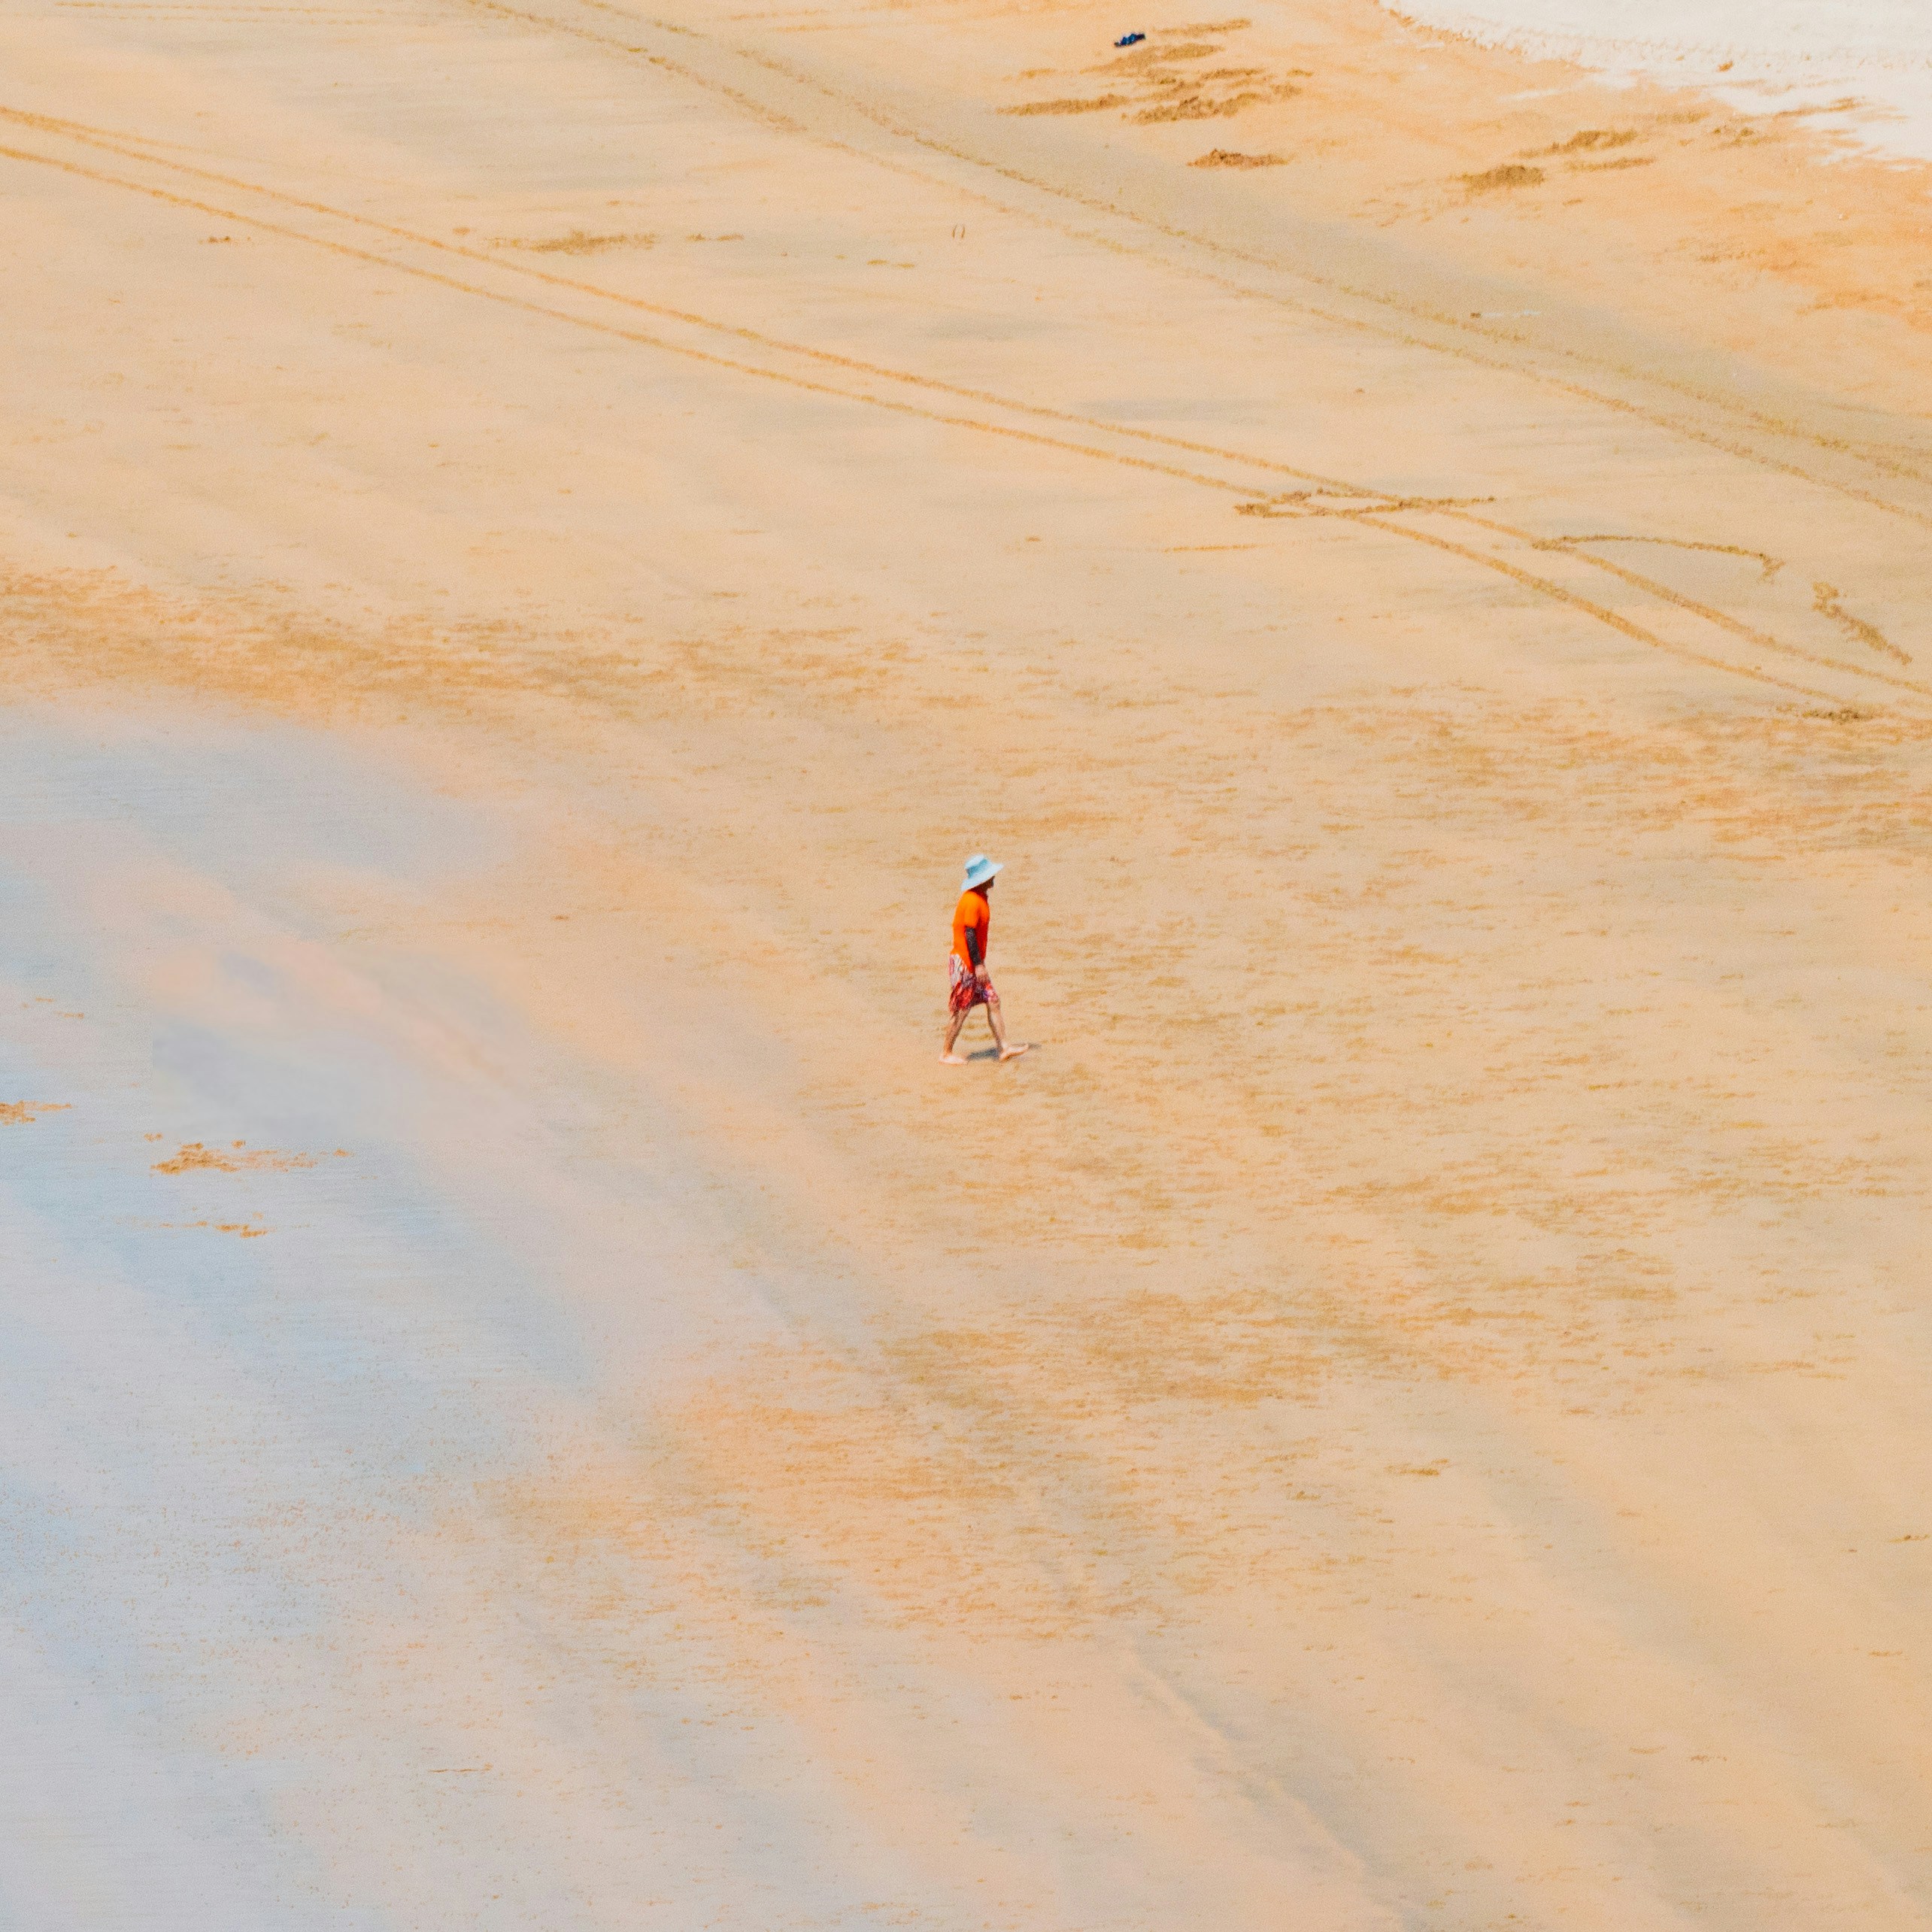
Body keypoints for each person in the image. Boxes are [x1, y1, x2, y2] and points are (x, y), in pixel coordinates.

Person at [943, 854, 1028, 1063]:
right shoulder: (972, 901)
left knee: (993, 1000)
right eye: (990, 875)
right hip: (966, 963)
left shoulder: (979, 898)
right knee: (962, 1009)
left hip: (973, 962)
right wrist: (978, 965)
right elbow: (969, 934)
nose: (994, 878)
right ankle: (946, 1053)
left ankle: (1003, 1047)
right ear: (982, 879)